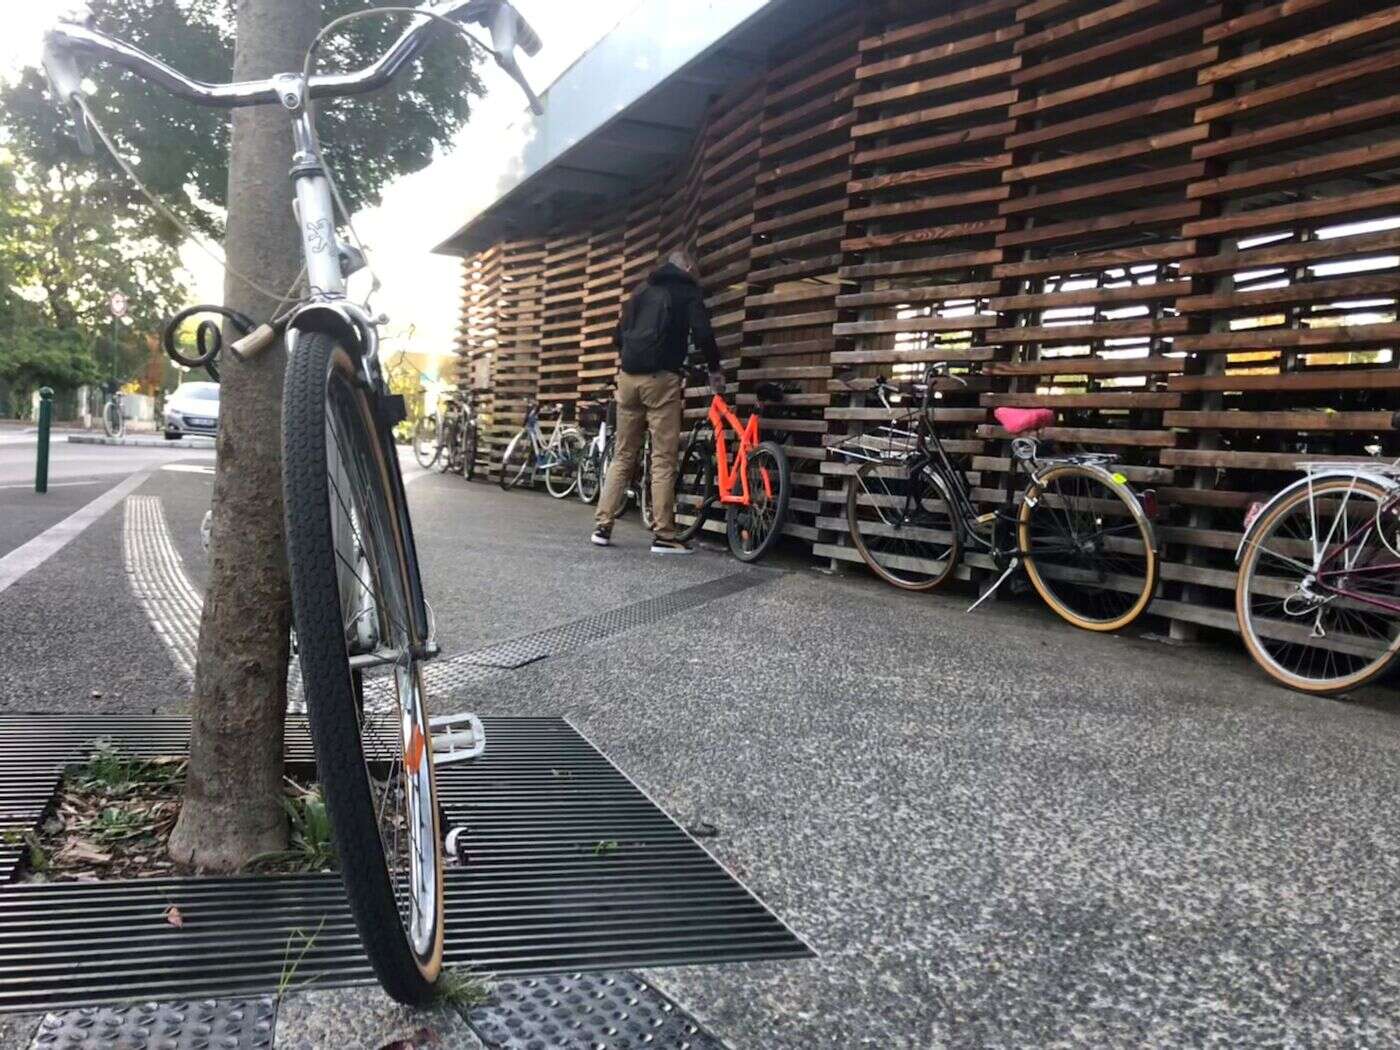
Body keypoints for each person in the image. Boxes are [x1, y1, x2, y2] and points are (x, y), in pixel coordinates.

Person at [591, 248, 724, 554]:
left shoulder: (641, 289)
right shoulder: (687, 291)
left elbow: (617, 336)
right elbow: (703, 333)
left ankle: (602, 525)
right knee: (663, 457)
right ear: (689, 266)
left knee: (624, 453)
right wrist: (714, 369)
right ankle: (664, 534)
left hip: (627, 378)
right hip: (661, 379)